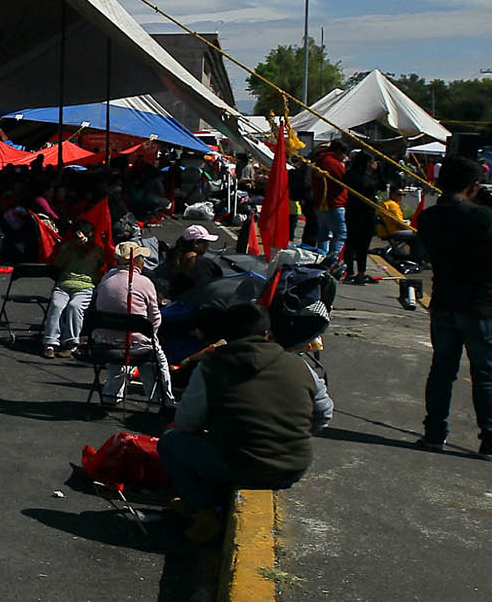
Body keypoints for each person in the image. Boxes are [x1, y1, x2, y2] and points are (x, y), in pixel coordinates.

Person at [158, 303, 333, 538]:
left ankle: (203, 512)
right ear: (267, 333)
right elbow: (324, 413)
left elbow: (187, 422)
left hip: (241, 464)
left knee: (170, 442)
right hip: (293, 466)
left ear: (225, 336)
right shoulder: (299, 365)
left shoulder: (210, 367)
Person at [416, 157, 492, 463]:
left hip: (444, 301)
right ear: (473, 186)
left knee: (442, 371)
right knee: (486, 375)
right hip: (481, 304)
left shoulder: (428, 217)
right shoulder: (481, 216)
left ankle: (434, 433)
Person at [92, 241, 166, 402]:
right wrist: (150, 336)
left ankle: (111, 394)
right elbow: (155, 318)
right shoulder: (145, 282)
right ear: (137, 261)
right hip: (134, 345)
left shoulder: (106, 279)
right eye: (142, 258)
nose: (144, 261)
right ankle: (163, 399)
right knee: (157, 357)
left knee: (124, 350)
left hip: (104, 341)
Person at [40, 218, 108, 358]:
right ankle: (50, 343)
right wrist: (70, 249)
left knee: (75, 306)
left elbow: (103, 264)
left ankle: (71, 343)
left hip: (86, 286)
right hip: (64, 285)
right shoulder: (67, 247)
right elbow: (58, 264)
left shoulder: (97, 249)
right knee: (57, 305)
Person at [341, 152, 381, 283]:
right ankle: (352, 272)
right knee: (355, 243)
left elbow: (382, 185)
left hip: (362, 210)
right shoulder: (355, 175)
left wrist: (377, 171)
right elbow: (366, 186)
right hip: (359, 210)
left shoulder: (354, 173)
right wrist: (373, 172)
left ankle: (358, 272)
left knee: (359, 244)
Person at [163, 224, 224, 299]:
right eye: (205, 242)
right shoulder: (201, 264)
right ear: (196, 243)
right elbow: (207, 289)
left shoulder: (173, 258)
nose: (207, 245)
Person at [312, 141, 349, 262]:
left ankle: (322, 258)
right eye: (344, 154)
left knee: (323, 234)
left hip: (320, 203)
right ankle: (333, 260)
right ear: (338, 152)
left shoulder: (320, 161)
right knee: (340, 234)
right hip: (334, 203)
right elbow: (344, 181)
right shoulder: (333, 163)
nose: (345, 157)